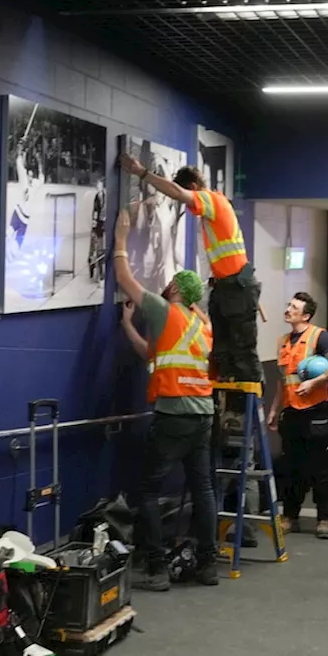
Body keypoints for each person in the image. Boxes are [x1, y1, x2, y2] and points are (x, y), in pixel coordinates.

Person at [113, 207, 219, 589]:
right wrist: (127, 325)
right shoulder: (200, 326)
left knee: (147, 491)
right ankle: (208, 565)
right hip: (203, 416)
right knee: (203, 488)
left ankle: (156, 569)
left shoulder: (164, 310)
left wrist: (122, 236)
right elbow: (154, 357)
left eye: (171, 281)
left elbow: (124, 277)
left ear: (175, 290)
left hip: (172, 416)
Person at [120, 154, 261, 382]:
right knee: (223, 353)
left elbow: (177, 193)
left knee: (243, 353)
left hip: (237, 288)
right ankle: (228, 405)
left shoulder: (210, 200)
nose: (187, 205)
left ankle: (250, 404)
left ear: (194, 187)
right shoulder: (213, 211)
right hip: (227, 288)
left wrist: (142, 172)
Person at [267, 292, 328, 539]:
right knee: (292, 466)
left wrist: (316, 382)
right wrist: (274, 409)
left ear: (306, 315)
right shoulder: (282, 341)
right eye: (289, 304)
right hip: (292, 413)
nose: (288, 309)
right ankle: (290, 516)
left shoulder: (319, 336)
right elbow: (284, 381)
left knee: (319, 468)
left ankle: (325, 518)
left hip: (315, 412)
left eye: (294, 307)